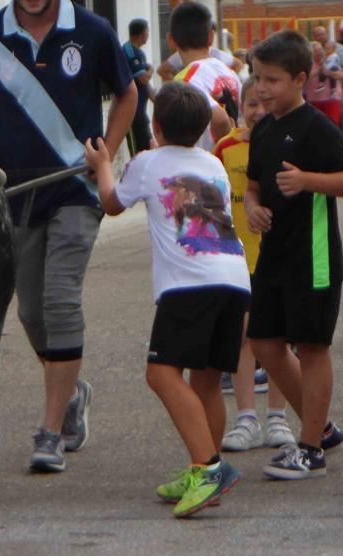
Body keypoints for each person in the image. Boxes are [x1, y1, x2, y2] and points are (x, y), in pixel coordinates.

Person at [0, 0, 136, 474]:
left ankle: (50, 430)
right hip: (17, 191)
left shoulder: (91, 30)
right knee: (31, 311)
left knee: (60, 300)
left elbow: (128, 93)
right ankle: (73, 393)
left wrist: (106, 153)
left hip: (75, 188)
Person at [83, 82, 248, 517]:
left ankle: (210, 468)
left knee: (160, 374)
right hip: (233, 278)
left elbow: (112, 203)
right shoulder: (212, 161)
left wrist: (102, 164)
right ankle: (202, 466)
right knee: (207, 380)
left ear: (154, 125)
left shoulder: (147, 161)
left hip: (189, 284)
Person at [244, 30, 343, 480]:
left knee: (312, 346)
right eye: (257, 78)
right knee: (265, 344)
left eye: (272, 80)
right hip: (273, 254)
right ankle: (323, 427)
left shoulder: (317, 127)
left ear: (300, 79)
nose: (262, 89)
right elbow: (254, 185)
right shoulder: (264, 129)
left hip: (313, 255)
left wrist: (309, 181)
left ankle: (310, 446)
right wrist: (253, 208)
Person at [213, 85, 296, 454]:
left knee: (279, 338)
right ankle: (246, 416)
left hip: (279, 255)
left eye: (265, 104)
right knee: (243, 338)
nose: (259, 110)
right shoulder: (224, 149)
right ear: (240, 107)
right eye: (251, 104)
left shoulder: (289, 143)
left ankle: (277, 416)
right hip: (236, 260)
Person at [168, 2, 237, 151]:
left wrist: (223, 150)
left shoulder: (185, 81)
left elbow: (220, 119)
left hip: (205, 164)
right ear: (211, 37)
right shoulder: (228, 72)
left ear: (171, 41)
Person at [123, 19, 154, 154]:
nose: (148, 34)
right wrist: (151, 69)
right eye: (147, 31)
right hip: (132, 113)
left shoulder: (139, 52)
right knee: (138, 152)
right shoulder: (130, 51)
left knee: (149, 147)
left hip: (141, 112)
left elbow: (145, 86)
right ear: (141, 33)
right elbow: (143, 79)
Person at [305, 41, 343, 127]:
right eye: (315, 51)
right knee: (315, 127)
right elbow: (305, 79)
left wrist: (329, 72)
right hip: (314, 100)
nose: (318, 52)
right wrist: (319, 71)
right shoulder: (307, 64)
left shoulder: (331, 59)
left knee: (332, 126)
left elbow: (341, 75)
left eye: (320, 50)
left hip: (332, 99)